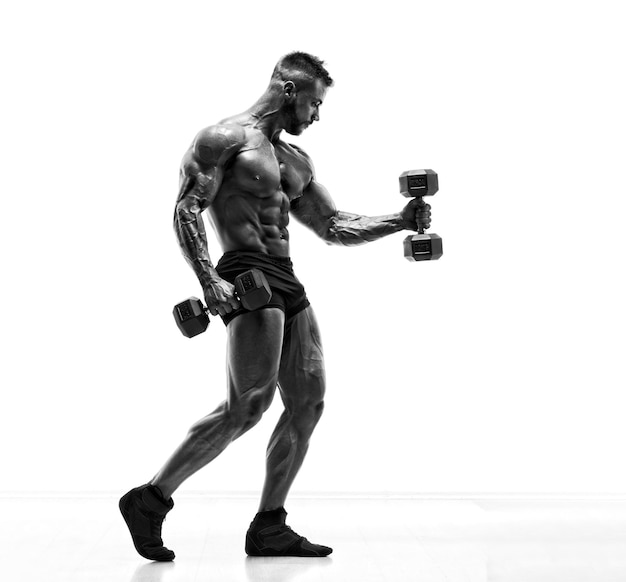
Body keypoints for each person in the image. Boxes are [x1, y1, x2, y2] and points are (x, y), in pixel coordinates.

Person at [119, 52, 431, 561]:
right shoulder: (222, 139)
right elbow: (187, 208)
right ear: (289, 90)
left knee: (308, 401)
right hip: (245, 273)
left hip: (287, 280)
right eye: (315, 103)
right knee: (248, 406)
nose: (317, 115)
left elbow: (333, 226)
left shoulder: (296, 162)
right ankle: (150, 499)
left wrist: (399, 220)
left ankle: (269, 525)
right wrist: (208, 277)